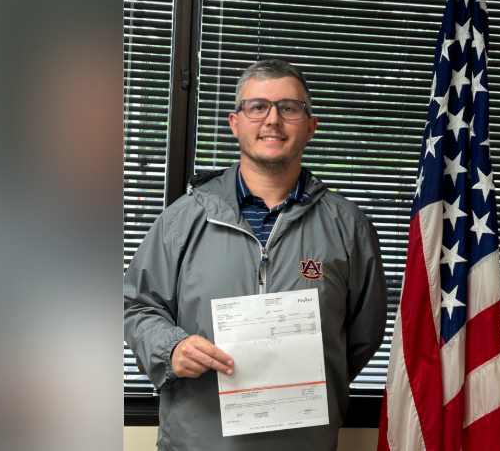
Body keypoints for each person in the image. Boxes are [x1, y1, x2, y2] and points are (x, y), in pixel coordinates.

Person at [124, 59, 387, 451]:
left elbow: (361, 338)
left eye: (289, 108)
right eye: (257, 106)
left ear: (310, 126)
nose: (272, 120)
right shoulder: (181, 220)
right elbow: (136, 306)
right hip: (198, 441)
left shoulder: (350, 228)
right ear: (235, 123)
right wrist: (171, 348)